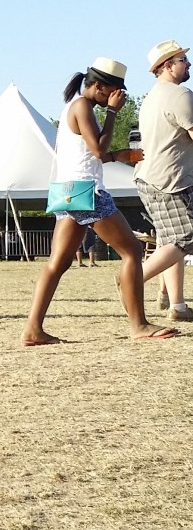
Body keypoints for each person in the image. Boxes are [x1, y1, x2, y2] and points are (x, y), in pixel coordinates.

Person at [22, 61, 181, 346]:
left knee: (57, 264)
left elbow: (90, 153)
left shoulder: (74, 107)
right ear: (99, 87)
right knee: (132, 251)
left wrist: (116, 156)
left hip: (67, 191)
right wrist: (112, 113)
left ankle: (33, 329)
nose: (117, 96)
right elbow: (97, 148)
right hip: (87, 192)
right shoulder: (83, 106)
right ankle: (139, 325)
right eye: (114, 91)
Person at [134, 41, 193, 324]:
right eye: (183, 59)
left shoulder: (152, 96)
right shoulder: (180, 95)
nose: (189, 64)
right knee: (186, 237)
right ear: (167, 65)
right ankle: (132, 280)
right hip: (172, 180)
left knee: (171, 241)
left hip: (149, 177)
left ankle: (177, 305)